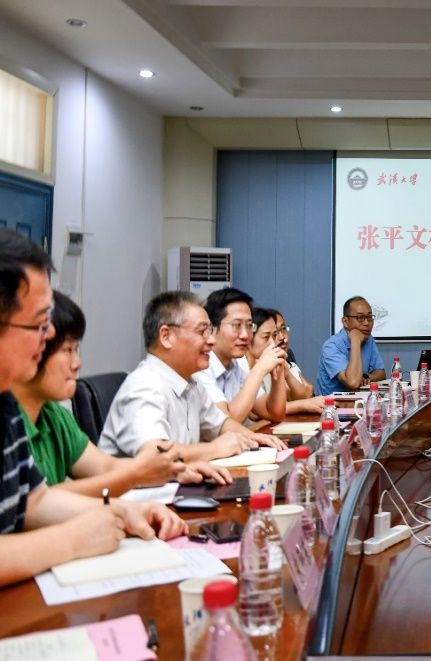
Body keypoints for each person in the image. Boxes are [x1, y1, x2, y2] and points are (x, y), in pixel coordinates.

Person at [0, 229, 186, 587]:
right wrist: (69, 541)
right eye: (39, 323)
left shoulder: (5, 404)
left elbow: (33, 503)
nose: (48, 336)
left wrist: (124, 511)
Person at [13, 291, 229, 494]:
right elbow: (35, 505)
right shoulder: (10, 424)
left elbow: (106, 468)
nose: (77, 363)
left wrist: (173, 472)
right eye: (67, 350)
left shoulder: (55, 416)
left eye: (76, 350)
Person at [97, 291, 287, 462]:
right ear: (166, 336)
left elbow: (220, 424)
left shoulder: (190, 381)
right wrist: (215, 448)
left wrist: (251, 437)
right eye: (202, 331)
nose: (211, 340)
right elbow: (155, 454)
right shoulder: (145, 386)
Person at [197, 287, 287, 423]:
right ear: (212, 328)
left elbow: (275, 413)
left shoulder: (234, 367)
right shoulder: (201, 367)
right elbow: (224, 423)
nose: (245, 335)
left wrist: (278, 372)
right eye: (236, 325)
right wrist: (259, 370)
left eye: (249, 326)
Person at [249, 307, 323, 415]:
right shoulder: (243, 366)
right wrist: (304, 405)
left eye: (274, 335)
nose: (274, 343)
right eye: (266, 337)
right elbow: (256, 414)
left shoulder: (277, 360)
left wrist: (283, 370)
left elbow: (275, 410)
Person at [316, 296, 386, 395]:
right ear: (345, 322)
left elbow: (381, 373)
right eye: (360, 318)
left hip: (359, 400)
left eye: (369, 317)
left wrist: (365, 377)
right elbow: (353, 382)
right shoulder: (331, 346)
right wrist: (355, 341)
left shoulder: (368, 339)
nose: (367, 323)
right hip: (332, 403)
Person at [269, 310, 314, 400]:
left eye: (283, 329)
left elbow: (309, 389)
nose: (282, 337)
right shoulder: (266, 367)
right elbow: (294, 396)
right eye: (275, 333)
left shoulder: (289, 358)